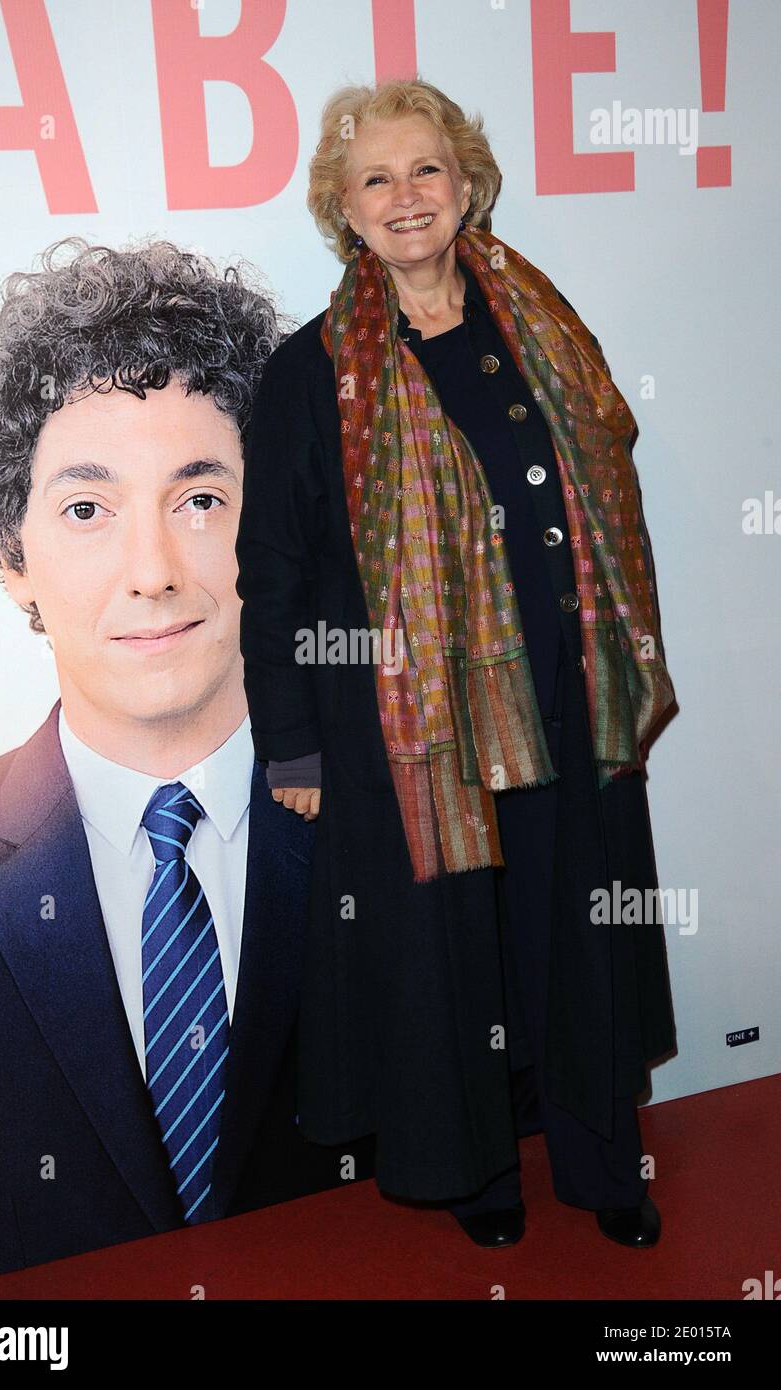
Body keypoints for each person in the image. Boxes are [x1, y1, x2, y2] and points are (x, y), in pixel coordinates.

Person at [235, 79, 678, 1249]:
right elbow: (272, 566)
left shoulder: (537, 321)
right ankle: (479, 1171)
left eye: (424, 169)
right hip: (409, 730)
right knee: (452, 954)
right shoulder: (312, 370)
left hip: (565, 696)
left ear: (466, 179)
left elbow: (601, 483)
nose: (406, 197)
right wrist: (290, 738)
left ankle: (601, 1167)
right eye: (376, 179)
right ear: (344, 210)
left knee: (576, 935)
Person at [0, 238, 372, 1285]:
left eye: (201, 499)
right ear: (7, 557)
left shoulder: (407, 825)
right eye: (87, 508)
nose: (155, 572)